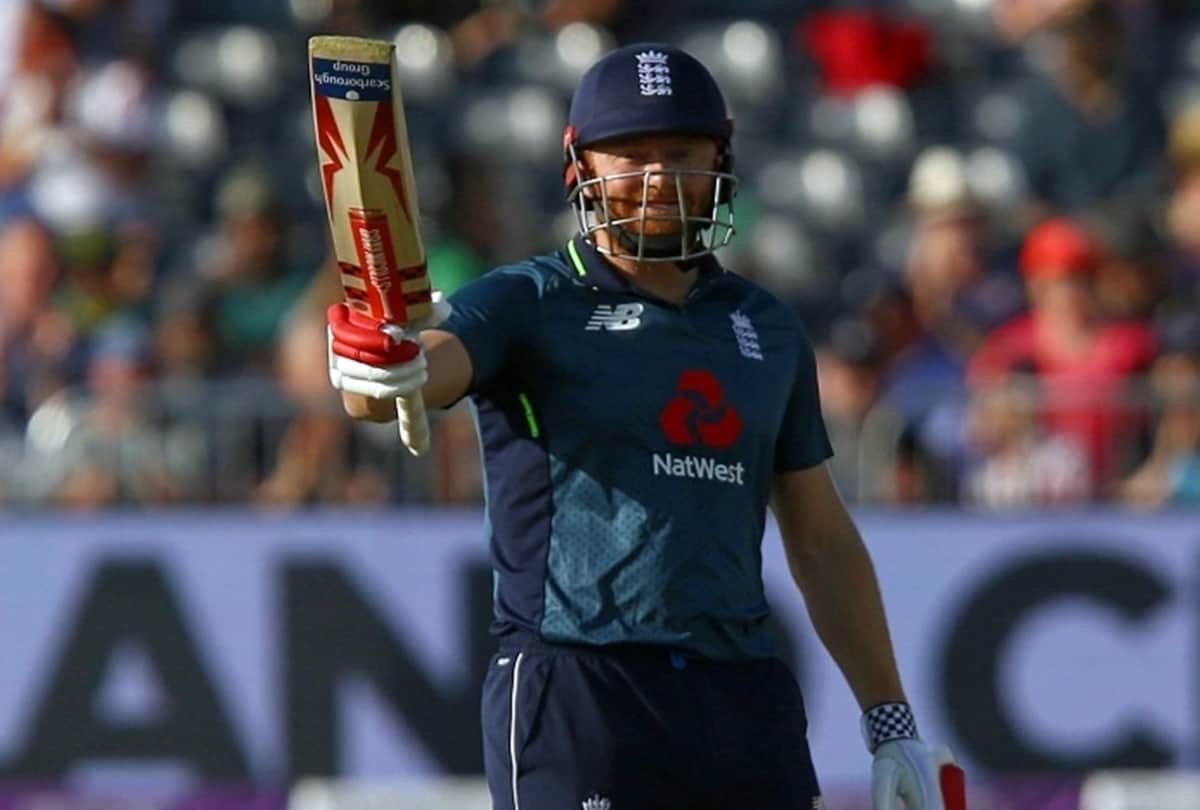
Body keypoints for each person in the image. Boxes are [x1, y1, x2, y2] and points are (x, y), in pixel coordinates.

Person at [326, 43, 963, 810]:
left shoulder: (766, 327)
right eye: (629, 155)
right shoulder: (531, 301)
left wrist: (889, 721)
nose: (658, 177)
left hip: (740, 696)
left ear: (720, 157)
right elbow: (420, 371)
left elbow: (820, 536)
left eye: (681, 152)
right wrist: (382, 370)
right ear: (579, 164)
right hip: (579, 687)